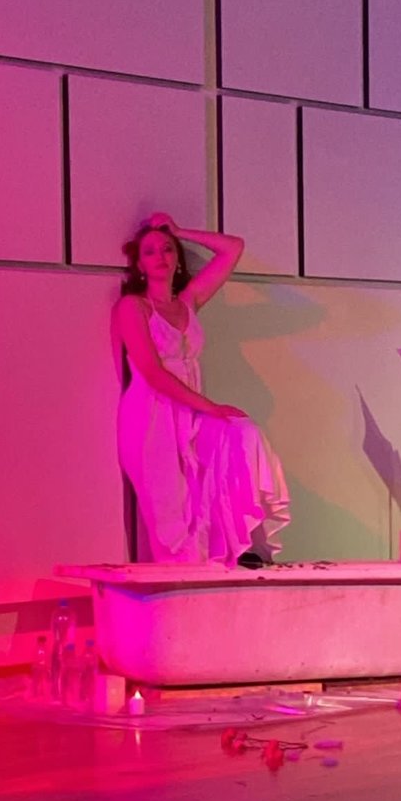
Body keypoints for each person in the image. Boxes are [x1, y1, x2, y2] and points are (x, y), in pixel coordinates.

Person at [112, 212, 290, 566]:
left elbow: (233, 248)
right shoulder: (133, 307)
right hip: (152, 417)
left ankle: (239, 550)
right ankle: (181, 584)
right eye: (150, 251)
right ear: (139, 264)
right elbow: (152, 372)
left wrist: (180, 231)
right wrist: (210, 407)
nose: (161, 256)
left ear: (178, 258)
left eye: (168, 249)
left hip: (192, 414)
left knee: (242, 435)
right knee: (172, 517)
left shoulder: (188, 301)